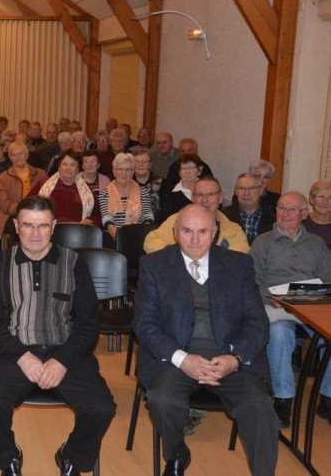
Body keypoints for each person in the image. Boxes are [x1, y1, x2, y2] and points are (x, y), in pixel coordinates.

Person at [134, 204, 278, 476]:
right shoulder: (154, 265)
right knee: (162, 399)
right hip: (176, 356)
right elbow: (145, 323)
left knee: (259, 406)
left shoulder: (239, 265)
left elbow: (258, 323)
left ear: (214, 232)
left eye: (203, 232)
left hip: (229, 357)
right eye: (187, 231)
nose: (195, 240)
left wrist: (235, 360)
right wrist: (182, 359)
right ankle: (177, 455)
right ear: (176, 233)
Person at [0, 197, 115, 476]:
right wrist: (22, 357)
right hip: (15, 352)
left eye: (42, 226)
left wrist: (62, 360)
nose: (35, 233)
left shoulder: (74, 263)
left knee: (101, 407)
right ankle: (8, 458)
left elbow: (88, 323)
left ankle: (72, 455)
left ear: (53, 226)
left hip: (65, 352)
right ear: (16, 226)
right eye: (28, 225)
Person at [249, 191, 331, 428]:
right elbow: (252, 280)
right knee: (281, 333)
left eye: (292, 209)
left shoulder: (316, 244)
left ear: (304, 214)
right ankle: (284, 400)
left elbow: (327, 278)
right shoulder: (263, 242)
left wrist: (318, 296)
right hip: (274, 304)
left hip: (310, 304)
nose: (285, 214)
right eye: (281, 208)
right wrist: (269, 296)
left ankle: (327, 398)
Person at [145, 177, 249, 255]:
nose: (204, 200)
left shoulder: (234, 231)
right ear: (193, 198)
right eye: (199, 195)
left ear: (221, 198)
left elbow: (238, 258)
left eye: (211, 194)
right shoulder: (176, 220)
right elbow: (151, 242)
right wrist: (174, 254)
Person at [0, 142, 48, 243]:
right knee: (17, 226)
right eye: (14, 155)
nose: (18, 157)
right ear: (10, 158)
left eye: (20, 154)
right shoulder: (2, 178)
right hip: (12, 214)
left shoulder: (41, 174)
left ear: (27, 155)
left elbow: (47, 196)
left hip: (38, 212)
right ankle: (16, 252)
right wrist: (21, 211)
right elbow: (4, 202)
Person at [30, 151, 102, 227]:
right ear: (59, 167)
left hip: (76, 234)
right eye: (65, 164)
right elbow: (26, 205)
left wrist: (89, 220)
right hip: (46, 232)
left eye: (72, 165)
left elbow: (98, 215)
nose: (68, 168)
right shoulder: (43, 184)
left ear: (77, 170)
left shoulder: (87, 191)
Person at [100, 152, 154, 245]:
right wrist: (121, 239)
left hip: (139, 238)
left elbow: (148, 216)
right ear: (113, 171)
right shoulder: (105, 193)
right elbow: (107, 220)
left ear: (133, 171)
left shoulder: (143, 192)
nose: (123, 173)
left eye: (127, 169)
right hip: (114, 239)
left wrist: (140, 236)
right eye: (119, 169)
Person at [222, 173, 275, 244]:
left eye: (252, 188)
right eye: (241, 188)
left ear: (260, 191)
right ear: (236, 192)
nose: (246, 193)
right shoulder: (224, 216)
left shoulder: (273, 219)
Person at [156, 154, 203, 224]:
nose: (187, 172)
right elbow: (165, 221)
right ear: (180, 173)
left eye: (191, 168)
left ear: (199, 171)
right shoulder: (171, 194)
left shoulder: (207, 190)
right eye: (184, 168)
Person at [132, 147, 161, 216]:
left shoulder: (161, 182)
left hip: (156, 223)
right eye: (137, 161)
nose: (141, 164)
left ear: (150, 164)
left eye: (144, 161)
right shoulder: (127, 182)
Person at [304, 180, 331, 249]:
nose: (325, 202)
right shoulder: (301, 221)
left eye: (330, 197)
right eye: (321, 197)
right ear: (311, 200)